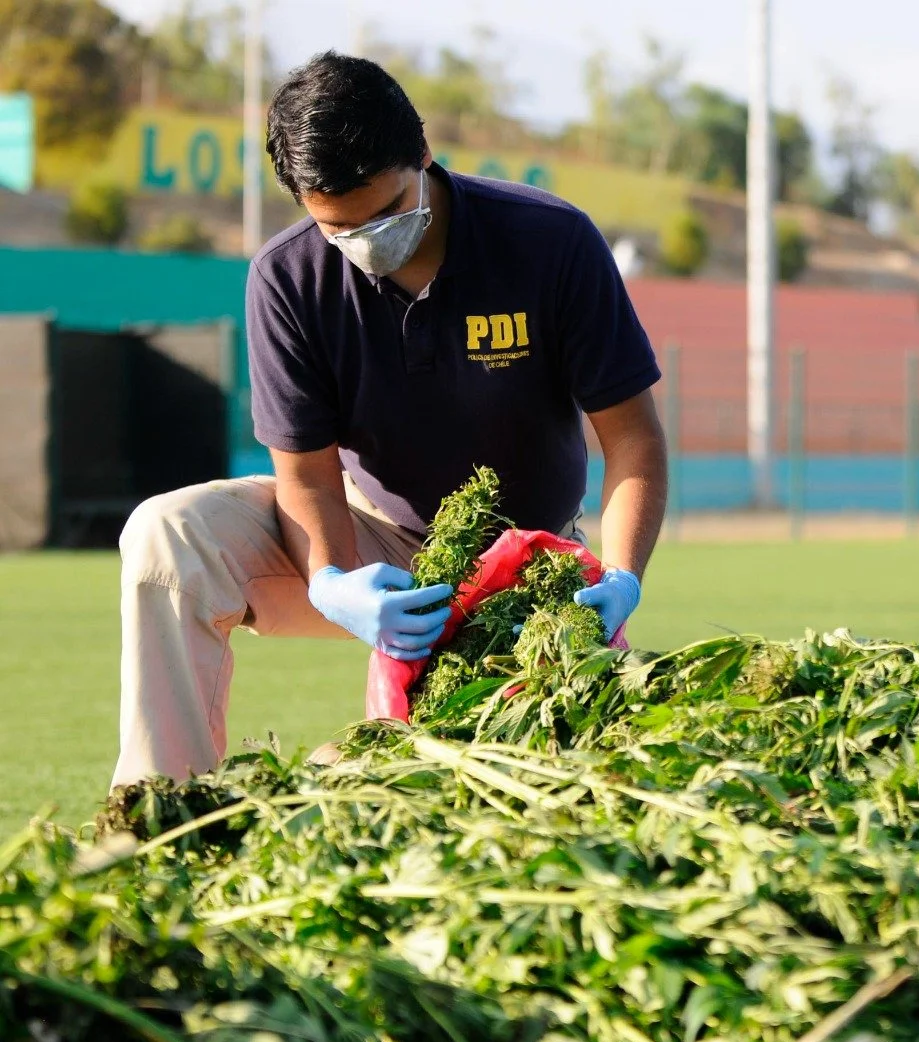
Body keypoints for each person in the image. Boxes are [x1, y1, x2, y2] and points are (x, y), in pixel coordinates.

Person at [112, 52, 667, 787]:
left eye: (387, 210)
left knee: (500, 783)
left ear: (424, 154)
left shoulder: (549, 242)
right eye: (341, 226)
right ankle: (162, 811)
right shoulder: (286, 279)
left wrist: (623, 576)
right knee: (168, 534)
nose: (368, 239)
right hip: (370, 541)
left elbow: (633, 440)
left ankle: (353, 765)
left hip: (528, 566)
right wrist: (334, 580)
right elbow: (305, 474)